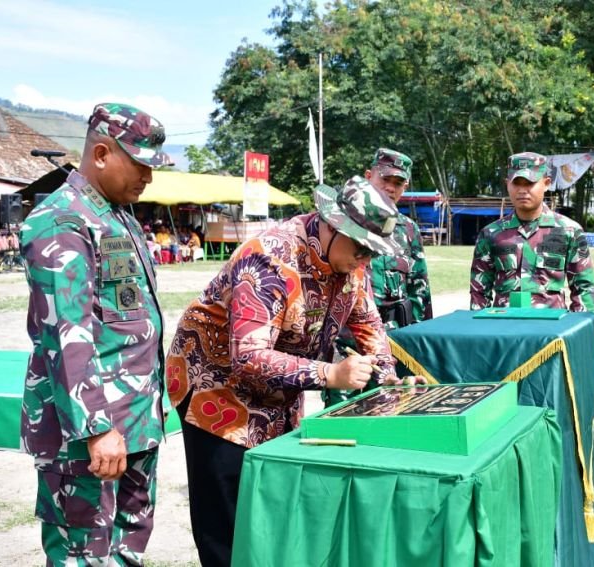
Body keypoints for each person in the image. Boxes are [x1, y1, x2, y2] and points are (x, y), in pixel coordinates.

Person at [166, 176, 413, 567]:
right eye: (361, 248)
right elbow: (248, 356)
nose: (365, 260)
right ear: (331, 225)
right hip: (216, 392)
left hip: (279, 393)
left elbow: (369, 325)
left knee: (273, 513)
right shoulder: (269, 258)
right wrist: (331, 375)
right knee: (227, 523)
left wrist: (386, 374)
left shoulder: (351, 261)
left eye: (373, 252)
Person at [19, 102, 172, 565]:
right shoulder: (61, 220)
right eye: (141, 165)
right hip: (89, 433)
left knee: (127, 548)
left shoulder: (116, 214)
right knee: (82, 552)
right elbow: (67, 336)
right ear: (102, 153)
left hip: (135, 420)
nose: (149, 178)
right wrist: (96, 428)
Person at [469, 151, 594, 311]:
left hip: (551, 330)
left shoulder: (569, 231)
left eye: (530, 183)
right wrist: (482, 330)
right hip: (504, 328)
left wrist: (577, 329)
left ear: (546, 183)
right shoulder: (490, 234)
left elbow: (584, 289)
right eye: (517, 183)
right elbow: (479, 291)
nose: (522, 190)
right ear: (507, 184)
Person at [363, 148, 433, 329]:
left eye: (398, 183)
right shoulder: (346, 223)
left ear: (405, 187)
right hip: (349, 342)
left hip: (396, 336)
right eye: (385, 179)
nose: (390, 188)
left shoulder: (409, 229)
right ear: (368, 176)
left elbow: (419, 288)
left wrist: (421, 335)